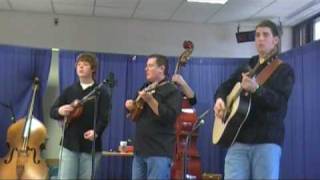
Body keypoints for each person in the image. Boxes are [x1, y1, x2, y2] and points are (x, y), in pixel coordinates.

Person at [213, 20, 295, 179]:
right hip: (238, 139)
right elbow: (224, 87)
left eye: (265, 35)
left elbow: (279, 104)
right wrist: (220, 100)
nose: (260, 39)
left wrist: (256, 89)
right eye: (257, 35)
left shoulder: (284, 70)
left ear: (275, 40)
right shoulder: (247, 65)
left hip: (266, 141)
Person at [50, 53, 110, 179]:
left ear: (93, 69)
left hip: (90, 146)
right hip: (69, 144)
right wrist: (60, 111)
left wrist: (96, 131)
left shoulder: (101, 92)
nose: (80, 67)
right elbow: (53, 111)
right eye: (78, 64)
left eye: (85, 64)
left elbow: (104, 118)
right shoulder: (69, 90)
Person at [125, 54, 182, 179]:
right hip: (140, 150)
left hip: (159, 151)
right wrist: (130, 106)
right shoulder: (145, 87)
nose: (146, 69)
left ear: (161, 68)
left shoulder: (172, 90)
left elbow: (170, 117)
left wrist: (151, 100)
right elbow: (135, 113)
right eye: (146, 66)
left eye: (150, 66)